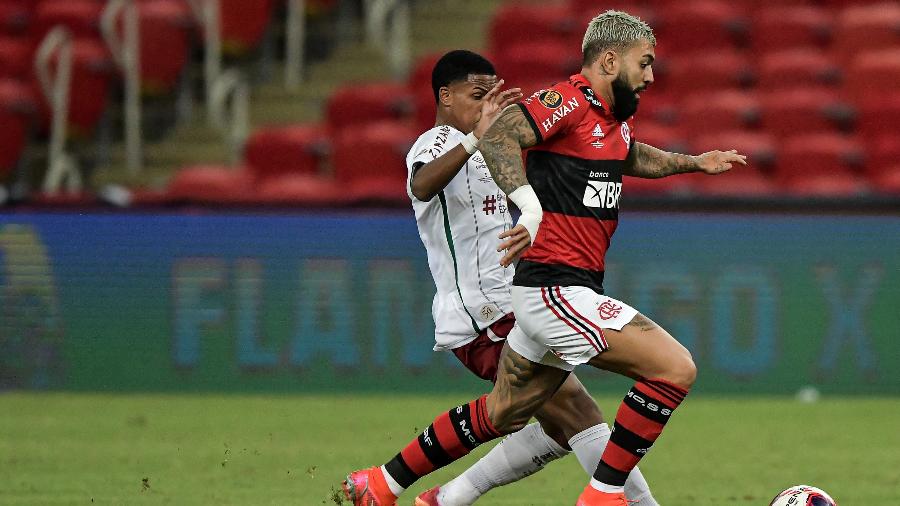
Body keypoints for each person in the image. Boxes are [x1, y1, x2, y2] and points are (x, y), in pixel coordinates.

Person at [342, 11, 748, 506]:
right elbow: (431, 177)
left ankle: (393, 487)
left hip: (524, 294)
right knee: (631, 390)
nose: (651, 76)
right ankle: (601, 497)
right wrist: (517, 186)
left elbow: (624, 153)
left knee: (514, 414)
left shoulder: (606, 121)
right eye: (645, 63)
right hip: (494, 304)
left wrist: (692, 162)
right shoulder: (445, 141)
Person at [367, 49, 659, 506]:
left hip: (515, 303)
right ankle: (395, 486)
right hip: (482, 314)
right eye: (476, 95)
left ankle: (428, 495)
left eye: (492, 95)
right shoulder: (436, 142)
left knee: (562, 429)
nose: (487, 105)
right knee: (578, 415)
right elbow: (420, 185)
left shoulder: (494, 150)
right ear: (445, 96)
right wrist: (474, 139)